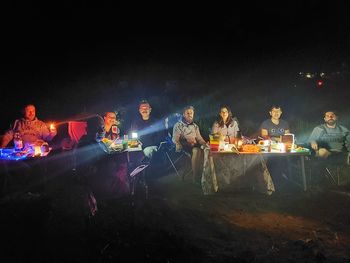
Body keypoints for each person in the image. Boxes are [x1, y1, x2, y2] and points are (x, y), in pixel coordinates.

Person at [172, 105, 207, 184]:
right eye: (188, 113)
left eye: (191, 113)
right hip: (184, 146)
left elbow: (199, 139)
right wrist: (178, 144)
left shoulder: (195, 126)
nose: (190, 114)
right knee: (197, 150)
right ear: (184, 114)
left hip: (194, 145)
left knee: (206, 150)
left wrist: (205, 144)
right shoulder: (178, 125)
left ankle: (207, 175)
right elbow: (175, 139)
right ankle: (195, 177)